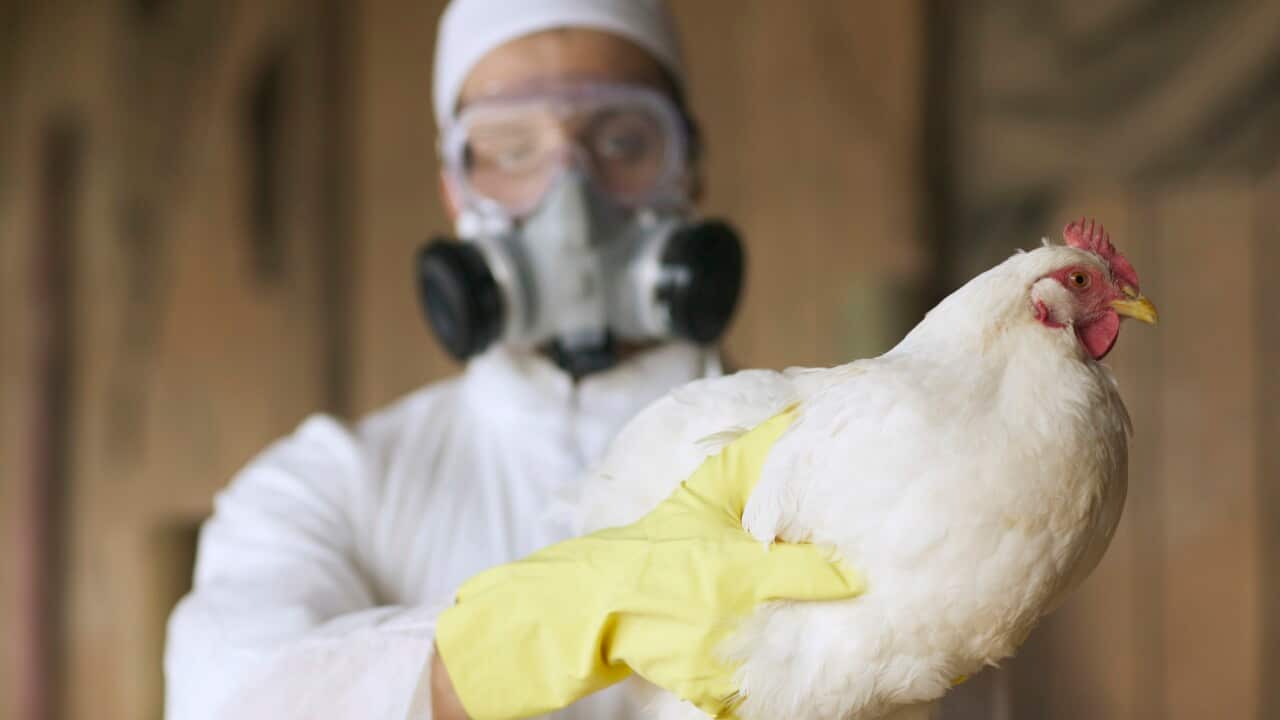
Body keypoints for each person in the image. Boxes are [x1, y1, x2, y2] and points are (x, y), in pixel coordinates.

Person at [164, 2, 856, 718]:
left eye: (623, 141)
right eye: (512, 150)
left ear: (688, 166)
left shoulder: (827, 472)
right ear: (453, 187)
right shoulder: (324, 489)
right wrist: (510, 644)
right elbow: (228, 696)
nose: (571, 203)